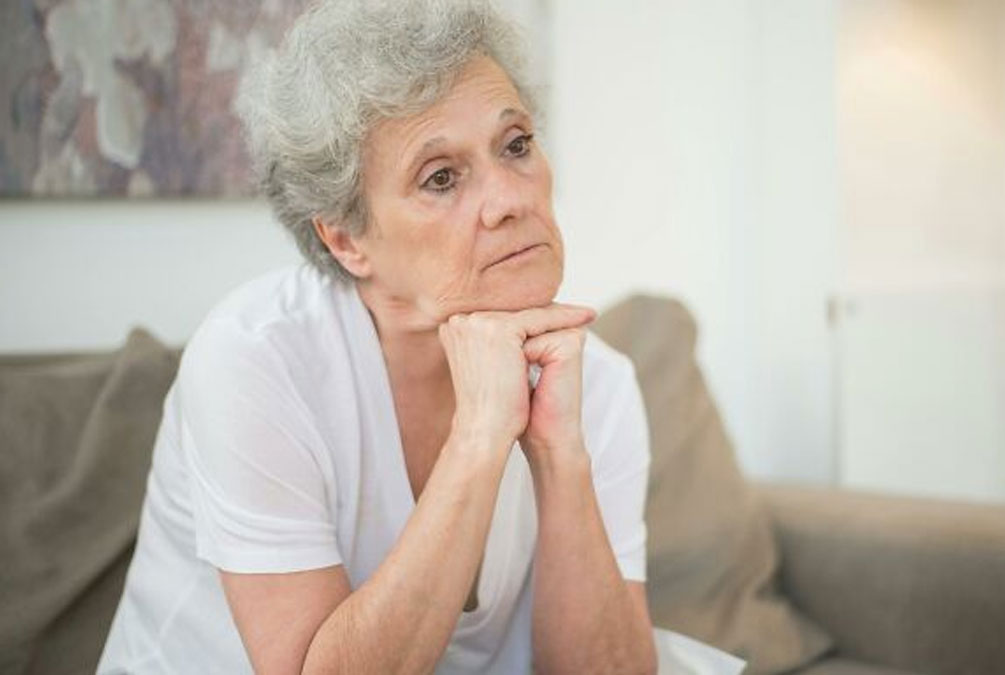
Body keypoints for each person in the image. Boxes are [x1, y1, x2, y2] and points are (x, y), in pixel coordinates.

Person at [97, 1, 657, 672]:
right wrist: (480, 436)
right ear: (345, 239)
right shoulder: (253, 360)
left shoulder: (599, 380)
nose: (510, 198)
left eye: (515, 145)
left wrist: (562, 453)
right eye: (441, 177)